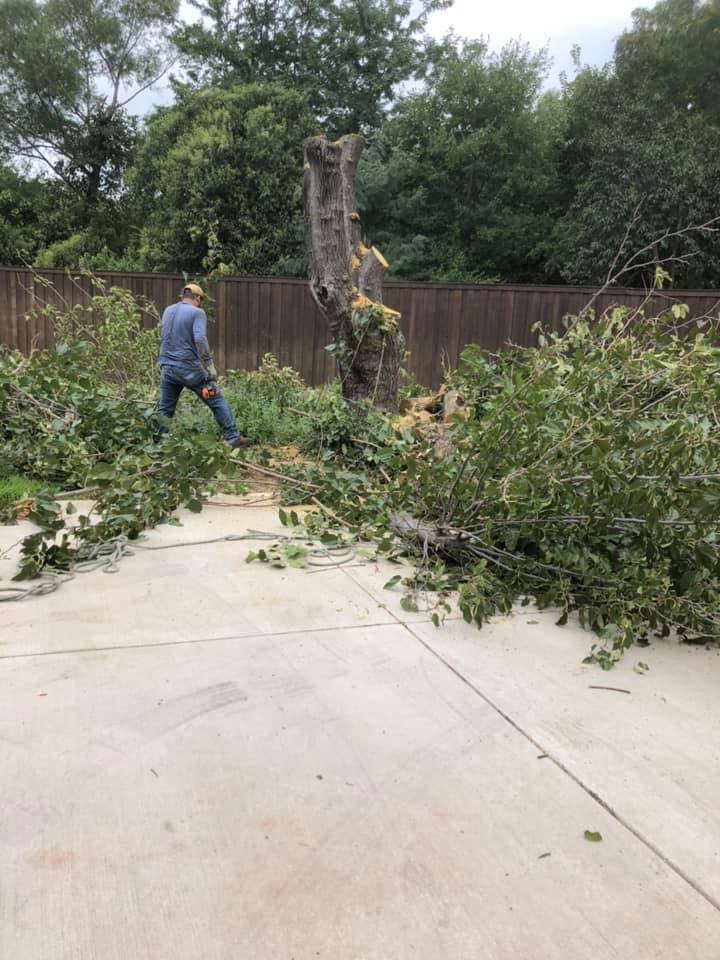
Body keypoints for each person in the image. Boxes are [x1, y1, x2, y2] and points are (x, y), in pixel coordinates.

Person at [157, 283, 253, 448]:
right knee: (216, 400)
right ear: (198, 298)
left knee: (165, 409)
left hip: (166, 368)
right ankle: (232, 438)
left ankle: (158, 445)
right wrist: (209, 365)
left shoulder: (168, 310)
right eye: (200, 300)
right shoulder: (197, 312)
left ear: (182, 296)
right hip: (188, 370)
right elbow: (200, 339)